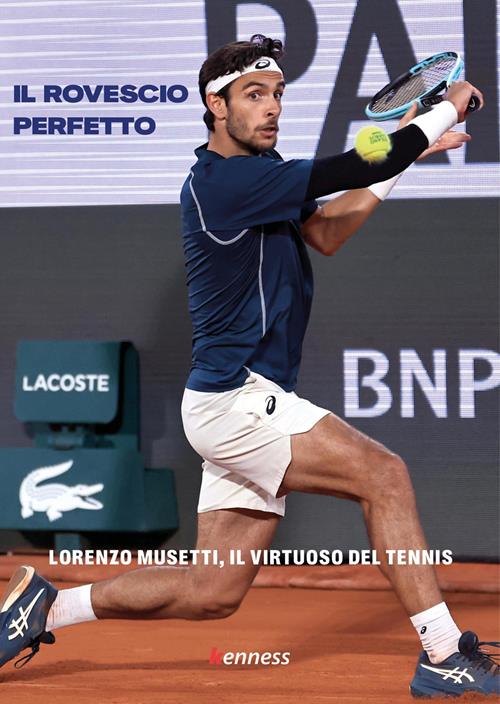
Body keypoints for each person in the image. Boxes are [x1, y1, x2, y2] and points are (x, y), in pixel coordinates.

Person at [0, 34, 497, 697]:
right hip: (238, 400)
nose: (272, 108)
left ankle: (48, 607)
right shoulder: (225, 182)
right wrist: (440, 112)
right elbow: (353, 162)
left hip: (232, 406)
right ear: (217, 106)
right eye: (254, 94)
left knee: (211, 591)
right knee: (384, 475)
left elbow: (327, 231)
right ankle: (443, 653)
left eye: (278, 94)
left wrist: (406, 150)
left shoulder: (260, 176)